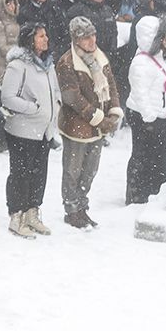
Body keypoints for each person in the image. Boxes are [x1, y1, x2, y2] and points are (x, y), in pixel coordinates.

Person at [56, 16, 122, 229]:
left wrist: (113, 110)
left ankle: (82, 206)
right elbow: (72, 98)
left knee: (90, 170)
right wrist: (98, 118)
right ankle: (71, 209)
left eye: (93, 35)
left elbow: (111, 85)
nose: (92, 40)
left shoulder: (100, 57)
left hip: (97, 126)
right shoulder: (67, 62)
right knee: (73, 170)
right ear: (76, 40)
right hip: (77, 125)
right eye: (86, 37)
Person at [0, 24, 59, 237]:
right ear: (30, 40)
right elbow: (7, 97)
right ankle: (17, 214)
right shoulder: (18, 66)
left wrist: (55, 109)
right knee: (20, 173)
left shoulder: (49, 65)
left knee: (39, 173)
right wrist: (31, 108)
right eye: (41, 36)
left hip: (44, 130)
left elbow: (55, 91)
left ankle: (33, 212)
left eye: (46, 35)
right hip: (22, 130)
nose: (46, 39)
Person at [125, 15, 166, 206]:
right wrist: (150, 118)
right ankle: (137, 194)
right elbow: (140, 92)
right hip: (145, 117)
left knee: (158, 157)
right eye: (163, 37)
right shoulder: (141, 62)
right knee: (142, 156)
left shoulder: (159, 57)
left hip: (159, 116)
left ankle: (153, 190)